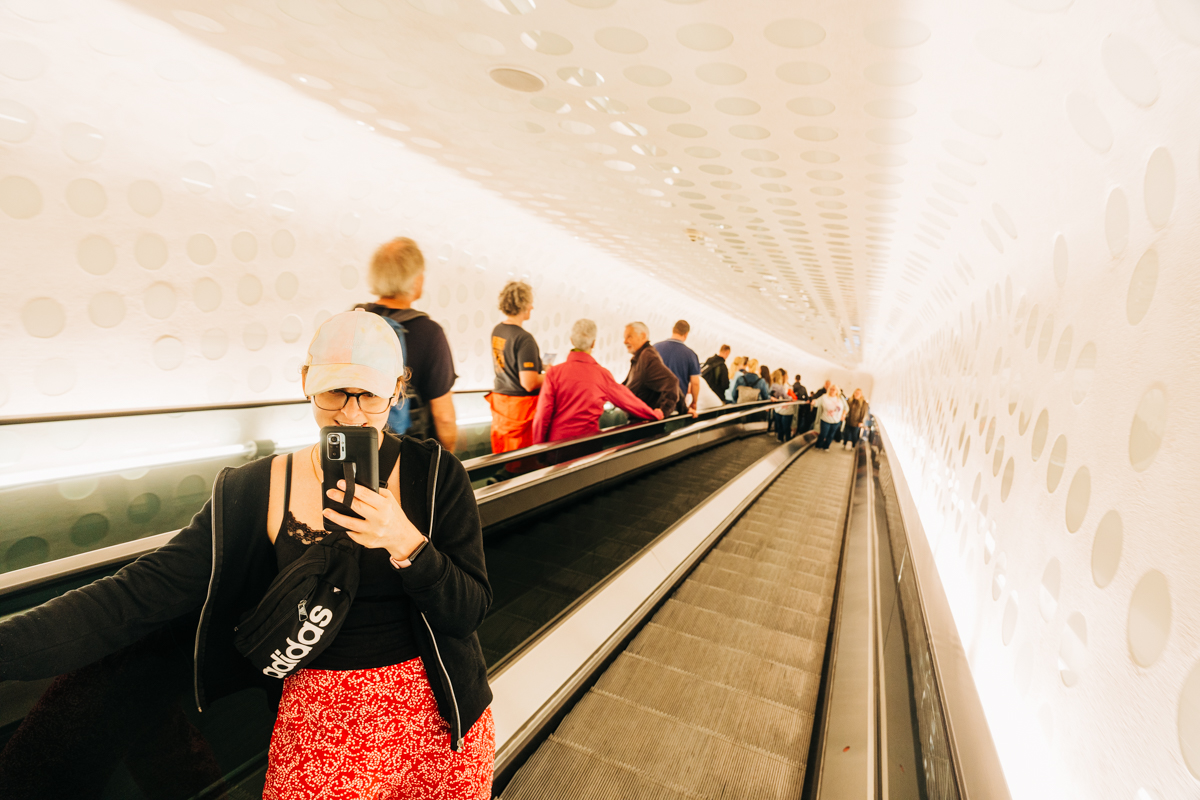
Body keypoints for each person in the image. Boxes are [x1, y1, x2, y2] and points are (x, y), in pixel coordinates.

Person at [0, 309, 496, 798]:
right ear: (305, 382)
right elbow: (136, 594)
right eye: (333, 392)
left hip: (439, 715)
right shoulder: (254, 490)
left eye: (368, 395)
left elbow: (468, 609)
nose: (350, 413)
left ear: (397, 389)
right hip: (320, 722)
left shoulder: (435, 476)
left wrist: (406, 543)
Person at [354, 237, 458, 452]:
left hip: (358, 444)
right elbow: (444, 415)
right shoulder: (428, 331)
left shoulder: (352, 319)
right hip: (408, 452)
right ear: (415, 280)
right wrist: (449, 462)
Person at [533, 319, 663, 443]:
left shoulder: (554, 373)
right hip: (588, 445)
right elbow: (629, 401)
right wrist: (654, 414)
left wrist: (538, 448)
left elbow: (542, 415)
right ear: (594, 343)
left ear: (571, 340)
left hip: (556, 445)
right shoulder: (602, 375)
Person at [487, 281, 543, 455]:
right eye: (530, 302)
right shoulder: (524, 338)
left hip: (501, 405)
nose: (532, 307)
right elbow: (529, 382)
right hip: (521, 409)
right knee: (522, 460)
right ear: (523, 305)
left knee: (504, 456)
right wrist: (553, 374)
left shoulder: (498, 330)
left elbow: (508, 361)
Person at [622, 322, 681, 417]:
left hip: (644, 423)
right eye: (624, 337)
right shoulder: (639, 357)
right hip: (636, 419)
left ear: (643, 336)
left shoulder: (647, 357)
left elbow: (672, 382)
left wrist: (663, 411)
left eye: (629, 336)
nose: (625, 341)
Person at [654, 320, 702, 417]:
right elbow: (695, 383)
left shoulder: (655, 348)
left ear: (673, 330)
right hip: (675, 404)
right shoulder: (691, 355)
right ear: (686, 334)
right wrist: (694, 402)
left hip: (653, 402)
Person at [813, 383, 846, 450]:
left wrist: (843, 415)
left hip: (836, 420)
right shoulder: (824, 397)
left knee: (831, 435)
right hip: (825, 419)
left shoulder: (840, 398)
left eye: (834, 390)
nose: (832, 391)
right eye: (831, 389)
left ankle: (826, 446)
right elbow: (817, 402)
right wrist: (813, 402)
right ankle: (818, 445)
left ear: (837, 391)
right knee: (823, 434)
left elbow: (846, 407)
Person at [769, 368, 794, 442]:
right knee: (784, 426)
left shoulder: (773, 385)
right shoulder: (781, 386)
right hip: (782, 409)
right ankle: (786, 439)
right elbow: (787, 396)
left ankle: (781, 438)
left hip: (781, 409)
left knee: (781, 425)